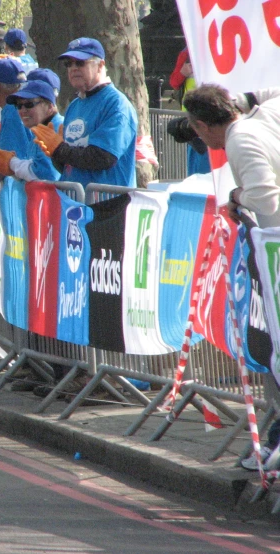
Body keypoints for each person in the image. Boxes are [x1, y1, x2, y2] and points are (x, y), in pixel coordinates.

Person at [182, 84, 280, 470]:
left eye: (195, 129)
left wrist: (237, 199)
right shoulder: (266, 115)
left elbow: (266, 200)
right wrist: (252, 96)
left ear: (204, 126)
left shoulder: (240, 140)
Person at [33, 37, 137, 188]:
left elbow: (104, 157)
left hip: (108, 204)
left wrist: (60, 149)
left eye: (80, 62)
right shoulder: (75, 105)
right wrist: (56, 154)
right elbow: (71, 166)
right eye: (69, 64)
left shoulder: (116, 104)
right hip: (76, 202)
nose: (73, 68)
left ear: (101, 65)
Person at [167, 48, 210, 176]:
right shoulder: (187, 53)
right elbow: (174, 82)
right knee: (198, 168)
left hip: (213, 117)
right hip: (191, 119)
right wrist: (183, 73)